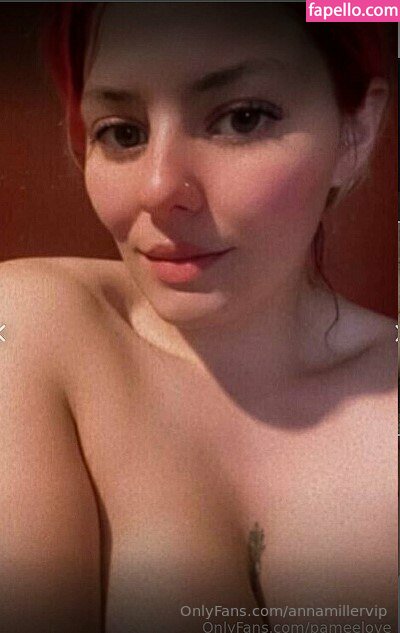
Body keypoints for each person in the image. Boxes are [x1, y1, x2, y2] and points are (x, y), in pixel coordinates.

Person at [1, 3, 397, 632]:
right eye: (122, 133)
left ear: (356, 132)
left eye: (242, 119)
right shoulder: (32, 329)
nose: (159, 188)